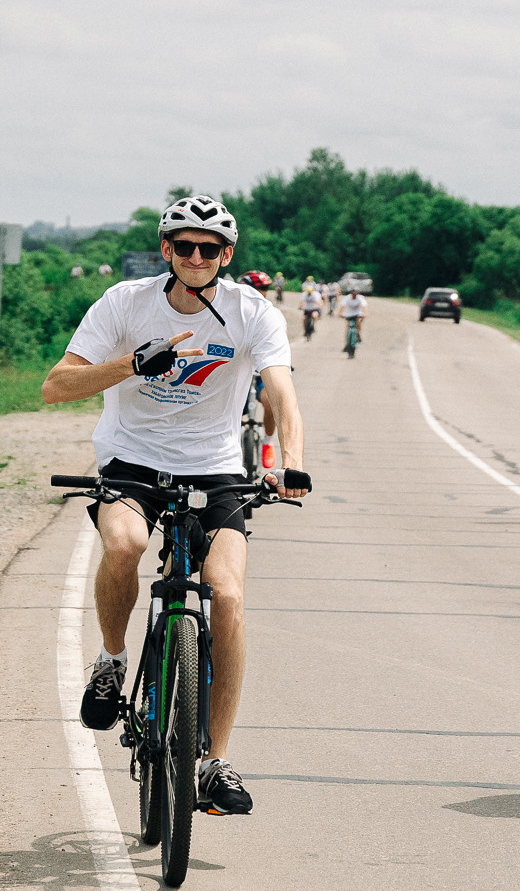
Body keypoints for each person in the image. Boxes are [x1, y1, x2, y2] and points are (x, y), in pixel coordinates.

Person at [41, 195, 307, 816]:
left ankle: (213, 761)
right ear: (165, 250)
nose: (194, 257)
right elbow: (56, 386)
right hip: (131, 461)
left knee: (230, 596)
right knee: (126, 545)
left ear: (226, 257)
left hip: (215, 468)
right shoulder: (124, 303)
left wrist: (288, 461)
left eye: (208, 249)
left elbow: (284, 394)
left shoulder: (251, 312)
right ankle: (110, 662)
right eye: (183, 246)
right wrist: (132, 363)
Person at [336, 282, 367, 355]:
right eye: (353, 292)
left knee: (359, 322)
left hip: (358, 313)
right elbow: (342, 306)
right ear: (351, 292)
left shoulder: (360, 298)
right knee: (348, 327)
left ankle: (358, 334)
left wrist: (364, 314)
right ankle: (347, 344)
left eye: (356, 292)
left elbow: (364, 307)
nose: (354, 294)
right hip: (348, 314)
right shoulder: (347, 298)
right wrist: (340, 314)